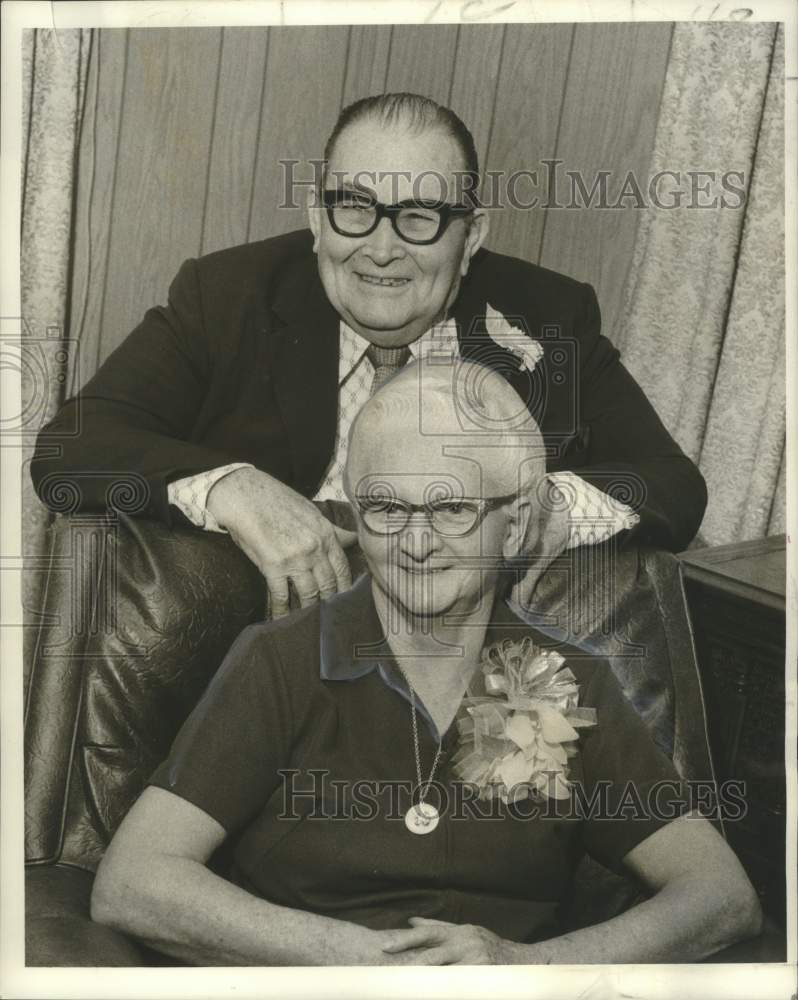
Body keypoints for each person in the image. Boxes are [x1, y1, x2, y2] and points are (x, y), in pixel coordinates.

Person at [90, 360, 759, 966]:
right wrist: (362, 960)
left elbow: (720, 896)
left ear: (519, 521)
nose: (415, 542)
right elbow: (134, 882)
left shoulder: (563, 685)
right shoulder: (282, 662)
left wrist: (528, 969)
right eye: (385, 507)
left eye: (451, 508)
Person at [31, 93, 707, 618]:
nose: (381, 249)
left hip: (467, 651)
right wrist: (232, 487)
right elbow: (68, 448)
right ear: (317, 219)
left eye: (419, 217)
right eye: (355, 208)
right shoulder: (227, 295)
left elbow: (673, 484)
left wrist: (546, 508)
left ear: (471, 236)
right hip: (264, 638)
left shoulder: (547, 316)